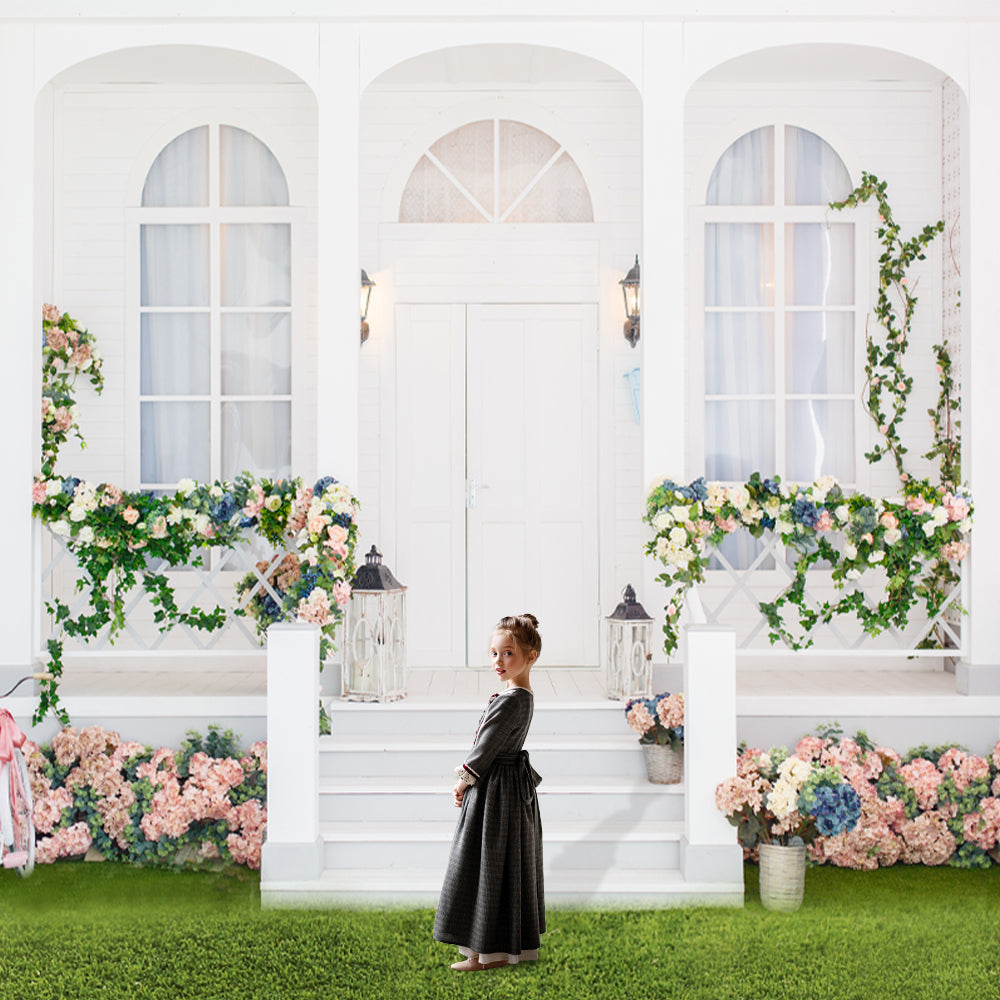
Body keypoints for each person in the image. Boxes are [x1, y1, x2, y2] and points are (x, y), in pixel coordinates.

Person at [433, 613, 545, 972]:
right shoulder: (520, 696)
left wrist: (463, 781)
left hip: (495, 792)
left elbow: (485, 748)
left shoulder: (512, 700)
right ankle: (493, 950)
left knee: (484, 864)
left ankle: (485, 954)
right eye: (493, 654)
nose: (498, 662)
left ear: (531, 656)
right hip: (506, 789)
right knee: (499, 865)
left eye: (508, 654)